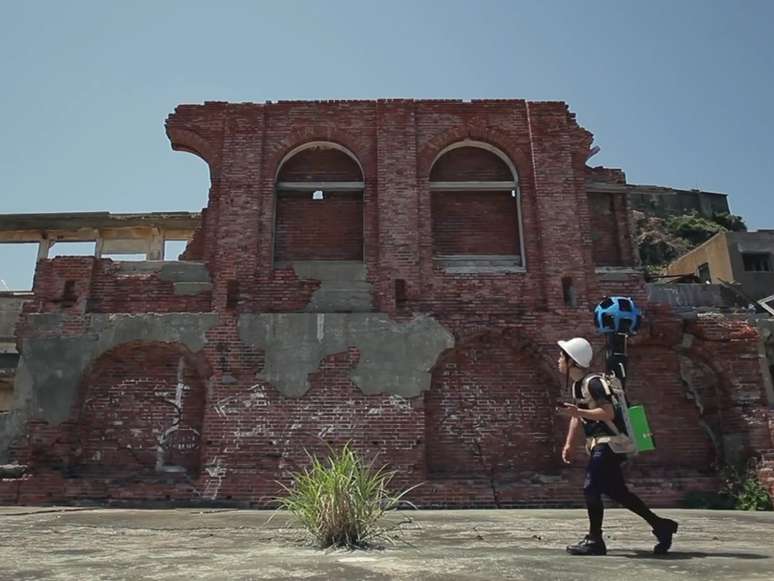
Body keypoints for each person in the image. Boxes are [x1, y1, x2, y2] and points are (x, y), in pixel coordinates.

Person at [556, 337, 678, 556]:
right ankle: (661, 526)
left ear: (572, 362)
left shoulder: (593, 382)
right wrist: (568, 443)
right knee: (618, 492)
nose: (558, 360)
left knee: (590, 487)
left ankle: (595, 540)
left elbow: (608, 413)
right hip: (598, 445)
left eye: (562, 356)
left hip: (610, 443)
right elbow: (577, 415)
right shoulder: (578, 386)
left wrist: (579, 413)